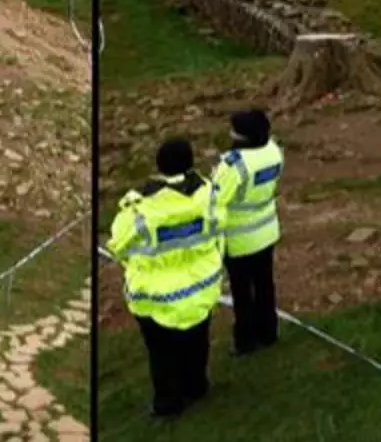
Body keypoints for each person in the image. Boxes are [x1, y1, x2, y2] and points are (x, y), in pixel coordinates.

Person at [106, 138, 223, 417]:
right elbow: (221, 224)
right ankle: (196, 387)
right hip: (200, 286)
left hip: (156, 297)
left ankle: (168, 403)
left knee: (161, 352)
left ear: (159, 166)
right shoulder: (209, 196)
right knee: (197, 340)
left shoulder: (140, 210)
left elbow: (118, 244)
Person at [208, 109, 284, 356]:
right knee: (265, 284)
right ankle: (269, 332)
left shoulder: (234, 165)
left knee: (242, 293)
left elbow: (216, 201)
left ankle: (246, 341)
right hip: (266, 229)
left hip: (239, 239)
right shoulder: (274, 151)